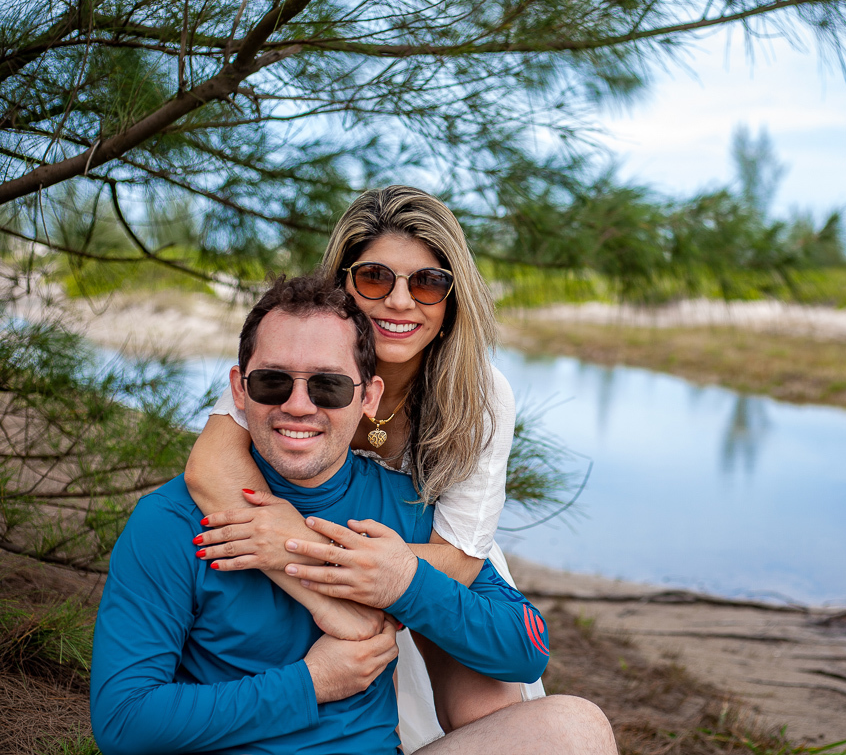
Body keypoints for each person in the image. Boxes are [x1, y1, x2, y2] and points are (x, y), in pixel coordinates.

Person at [91, 272, 612, 754]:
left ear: (369, 397)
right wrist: (311, 684)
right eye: (273, 382)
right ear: (238, 390)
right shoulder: (171, 521)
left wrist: (402, 582)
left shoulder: (405, 508)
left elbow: (526, 649)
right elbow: (123, 722)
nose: (298, 405)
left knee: (574, 728)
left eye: (329, 386)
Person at [182, 186, 601, 749]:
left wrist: (317, 554)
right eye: (375, 278)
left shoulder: (481, 395)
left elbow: (457, 556)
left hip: (422, 555)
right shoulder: (293, 356)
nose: (400, 302)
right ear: (343, 281)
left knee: (488, 700)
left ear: (453, 300)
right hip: (286, 539)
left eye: (428, 283)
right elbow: (212, 467)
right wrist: (310, 575)